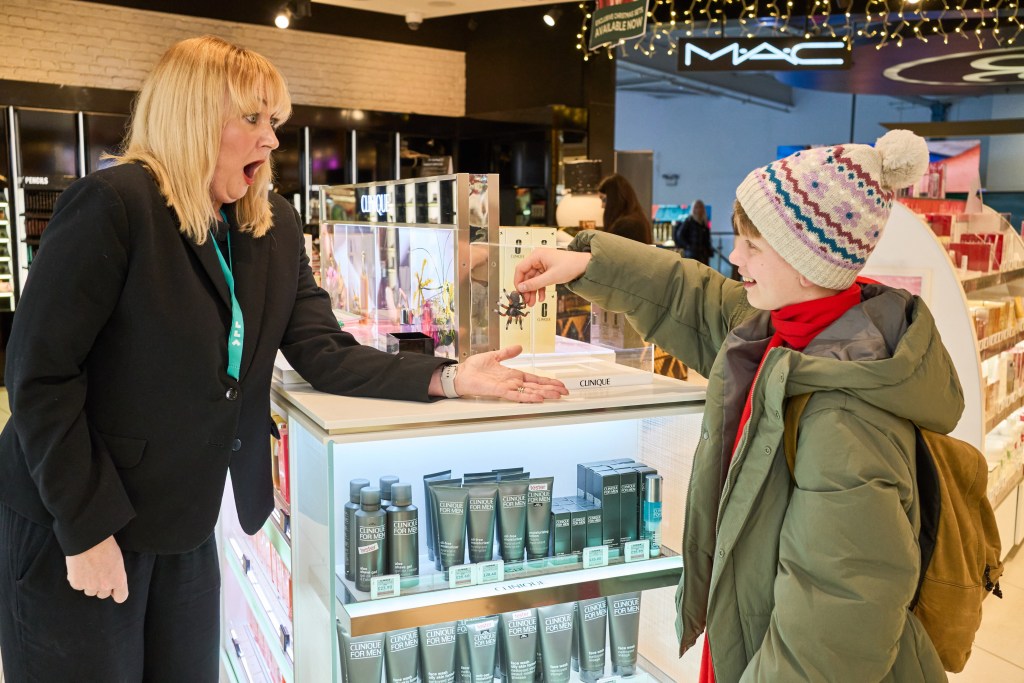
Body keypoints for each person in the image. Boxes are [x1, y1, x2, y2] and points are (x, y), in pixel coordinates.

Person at [0, 36, 566, 682]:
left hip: (183, 524)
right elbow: (40, 375)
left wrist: (449, 376)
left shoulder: (269, 226)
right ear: (190, 116)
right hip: (76, 515)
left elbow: (324, 352)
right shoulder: (114, 206)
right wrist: (84, 528)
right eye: (252, 119)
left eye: (274, 123)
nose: (271, 141)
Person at [515, 130, 961, 681]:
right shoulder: (784, 331)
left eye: (753, 244)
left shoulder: (843, 420)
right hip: (748, 642)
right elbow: (691, 296)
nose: (734, 254)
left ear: (808, 264)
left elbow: (834, 623)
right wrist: (585, 264)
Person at [597, 173, 653, 244]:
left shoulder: (627, 226)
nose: (602, 206)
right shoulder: (637, 220)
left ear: (614, 198)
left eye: (604, 199)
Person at [674, 199, 713, 264]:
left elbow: (706, 240)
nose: (699, 209)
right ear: (693, 209)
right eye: (696, 207)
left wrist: (708, 251)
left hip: (703, 256)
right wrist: (688, 246)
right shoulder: (689, 221)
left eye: (700, 207)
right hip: (692, 255)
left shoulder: (704, 223)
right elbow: (680, 235)